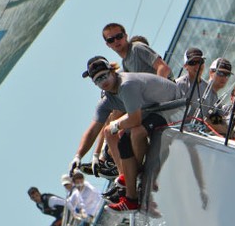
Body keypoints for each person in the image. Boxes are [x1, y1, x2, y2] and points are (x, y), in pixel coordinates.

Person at [73, 56, 184, 212]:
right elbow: (93, 130)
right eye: (97, 80)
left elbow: (135, 119)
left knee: (136, 132)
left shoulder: (126, 85)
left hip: (173, 109)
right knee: (115, 136)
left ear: (112, 72)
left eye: (104, 76)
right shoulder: (108, 99)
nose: (102, 81)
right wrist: (78, 156)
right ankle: (128, 189)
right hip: (153, 111)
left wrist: (116, 125)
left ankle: (132, 179)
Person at [102, 23, 171, 78]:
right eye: (111, 40)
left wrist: (158, 90)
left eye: (119, 36)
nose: (116, 41)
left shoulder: (137, 48)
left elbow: (163, 67)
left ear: (125, 36)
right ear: (108, 44)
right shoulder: (125, 64)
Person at [175, 47, 210, 118]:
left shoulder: (208, 88)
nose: (197, 66)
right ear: (185, 66)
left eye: (200, 62)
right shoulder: (178, 84)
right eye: (192, 63)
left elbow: (213, 114)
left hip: (202, 128)